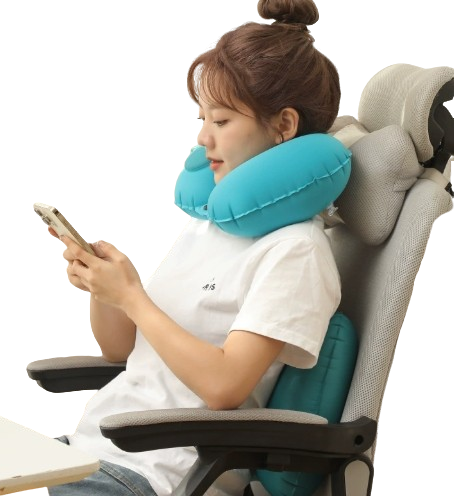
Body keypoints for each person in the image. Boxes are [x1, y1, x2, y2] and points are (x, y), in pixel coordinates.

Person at [46, 0, 342, 494]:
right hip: (87, 451)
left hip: (155, 474)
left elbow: (226, 387)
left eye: (221, 121)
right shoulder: (208, 225)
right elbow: (120, 350)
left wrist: (134, 298)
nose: (203, 138)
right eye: (202, 118)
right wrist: (108, 289)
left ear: (285, 126)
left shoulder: (295, 251)